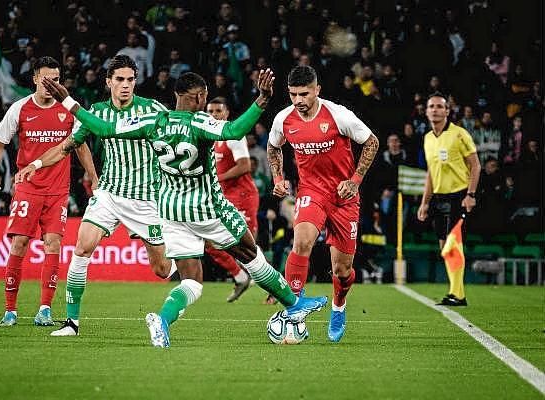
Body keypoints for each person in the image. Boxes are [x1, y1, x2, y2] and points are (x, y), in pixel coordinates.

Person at [40, 69, 328, 348]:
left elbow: (103, 128)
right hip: (207, 209)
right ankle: (294, 304)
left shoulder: (154, 121)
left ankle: (162, 321)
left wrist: (67, 100)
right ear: (200, 97)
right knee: (251, 254)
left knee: (192, 281)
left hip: (170, 211)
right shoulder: (199, 122)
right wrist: (262, 99)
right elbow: (235, 129)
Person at [16, 55, 176, 336]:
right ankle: (72, 323)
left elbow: (178, 134)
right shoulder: (97, 112)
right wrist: (36, 163)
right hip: (109, 194)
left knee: (161, 269)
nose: (125, 85)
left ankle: (189, 271)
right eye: (119, 80)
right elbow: (66, 146)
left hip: (145, 199)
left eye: (130, 80)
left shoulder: (152, 109)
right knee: (82, 247)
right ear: (108, 82)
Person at [267, 65, 379, 343]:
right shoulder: (284, 119)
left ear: (317, 90)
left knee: (342, 271)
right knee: (301, 241)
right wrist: (278, 178)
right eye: (293, 94)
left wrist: (354, 181)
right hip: (311, 191)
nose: (298, 100)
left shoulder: (339, 115)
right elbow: (273, 146)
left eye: (304, 94)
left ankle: (338, 306)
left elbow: (372, 143)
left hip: (344, 198)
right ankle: (294, 306)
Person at [0, 56, 98, 327]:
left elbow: (81, 145)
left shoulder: (68, 108)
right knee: (19, 243)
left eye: (56, 80)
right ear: (36, 78)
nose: (51, 84)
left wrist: (93, 177)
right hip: (28, 188)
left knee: (53, 243)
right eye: (46, 79)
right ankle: (10, 311)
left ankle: (45, 310)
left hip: (58, 189)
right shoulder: (20, 108)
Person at [417, 92, 481, 307]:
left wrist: (471, 195)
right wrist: (425, 202)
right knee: (445, 246)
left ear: (447, 111)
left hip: (458, 196)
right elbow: (431, 172)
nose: (435, 110)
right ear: (426, 112)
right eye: (431, 106)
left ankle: (457, 294)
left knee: (454, 243)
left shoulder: (459, 134)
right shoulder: (428, 138)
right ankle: (455, 292)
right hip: (438, 197)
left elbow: (475, 165)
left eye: (439, 106)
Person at [205, 96, 257, 302]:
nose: (213, 115)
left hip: (242, 196)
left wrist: (217, 178)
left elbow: (245, 166)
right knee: (209, 242)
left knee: (248, 247)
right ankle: (240, 277)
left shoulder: (233, 135)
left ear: (226, 114)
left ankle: (276, 289)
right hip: (223, 197)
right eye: (210, 111)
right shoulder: (210, 137)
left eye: (218, 111)